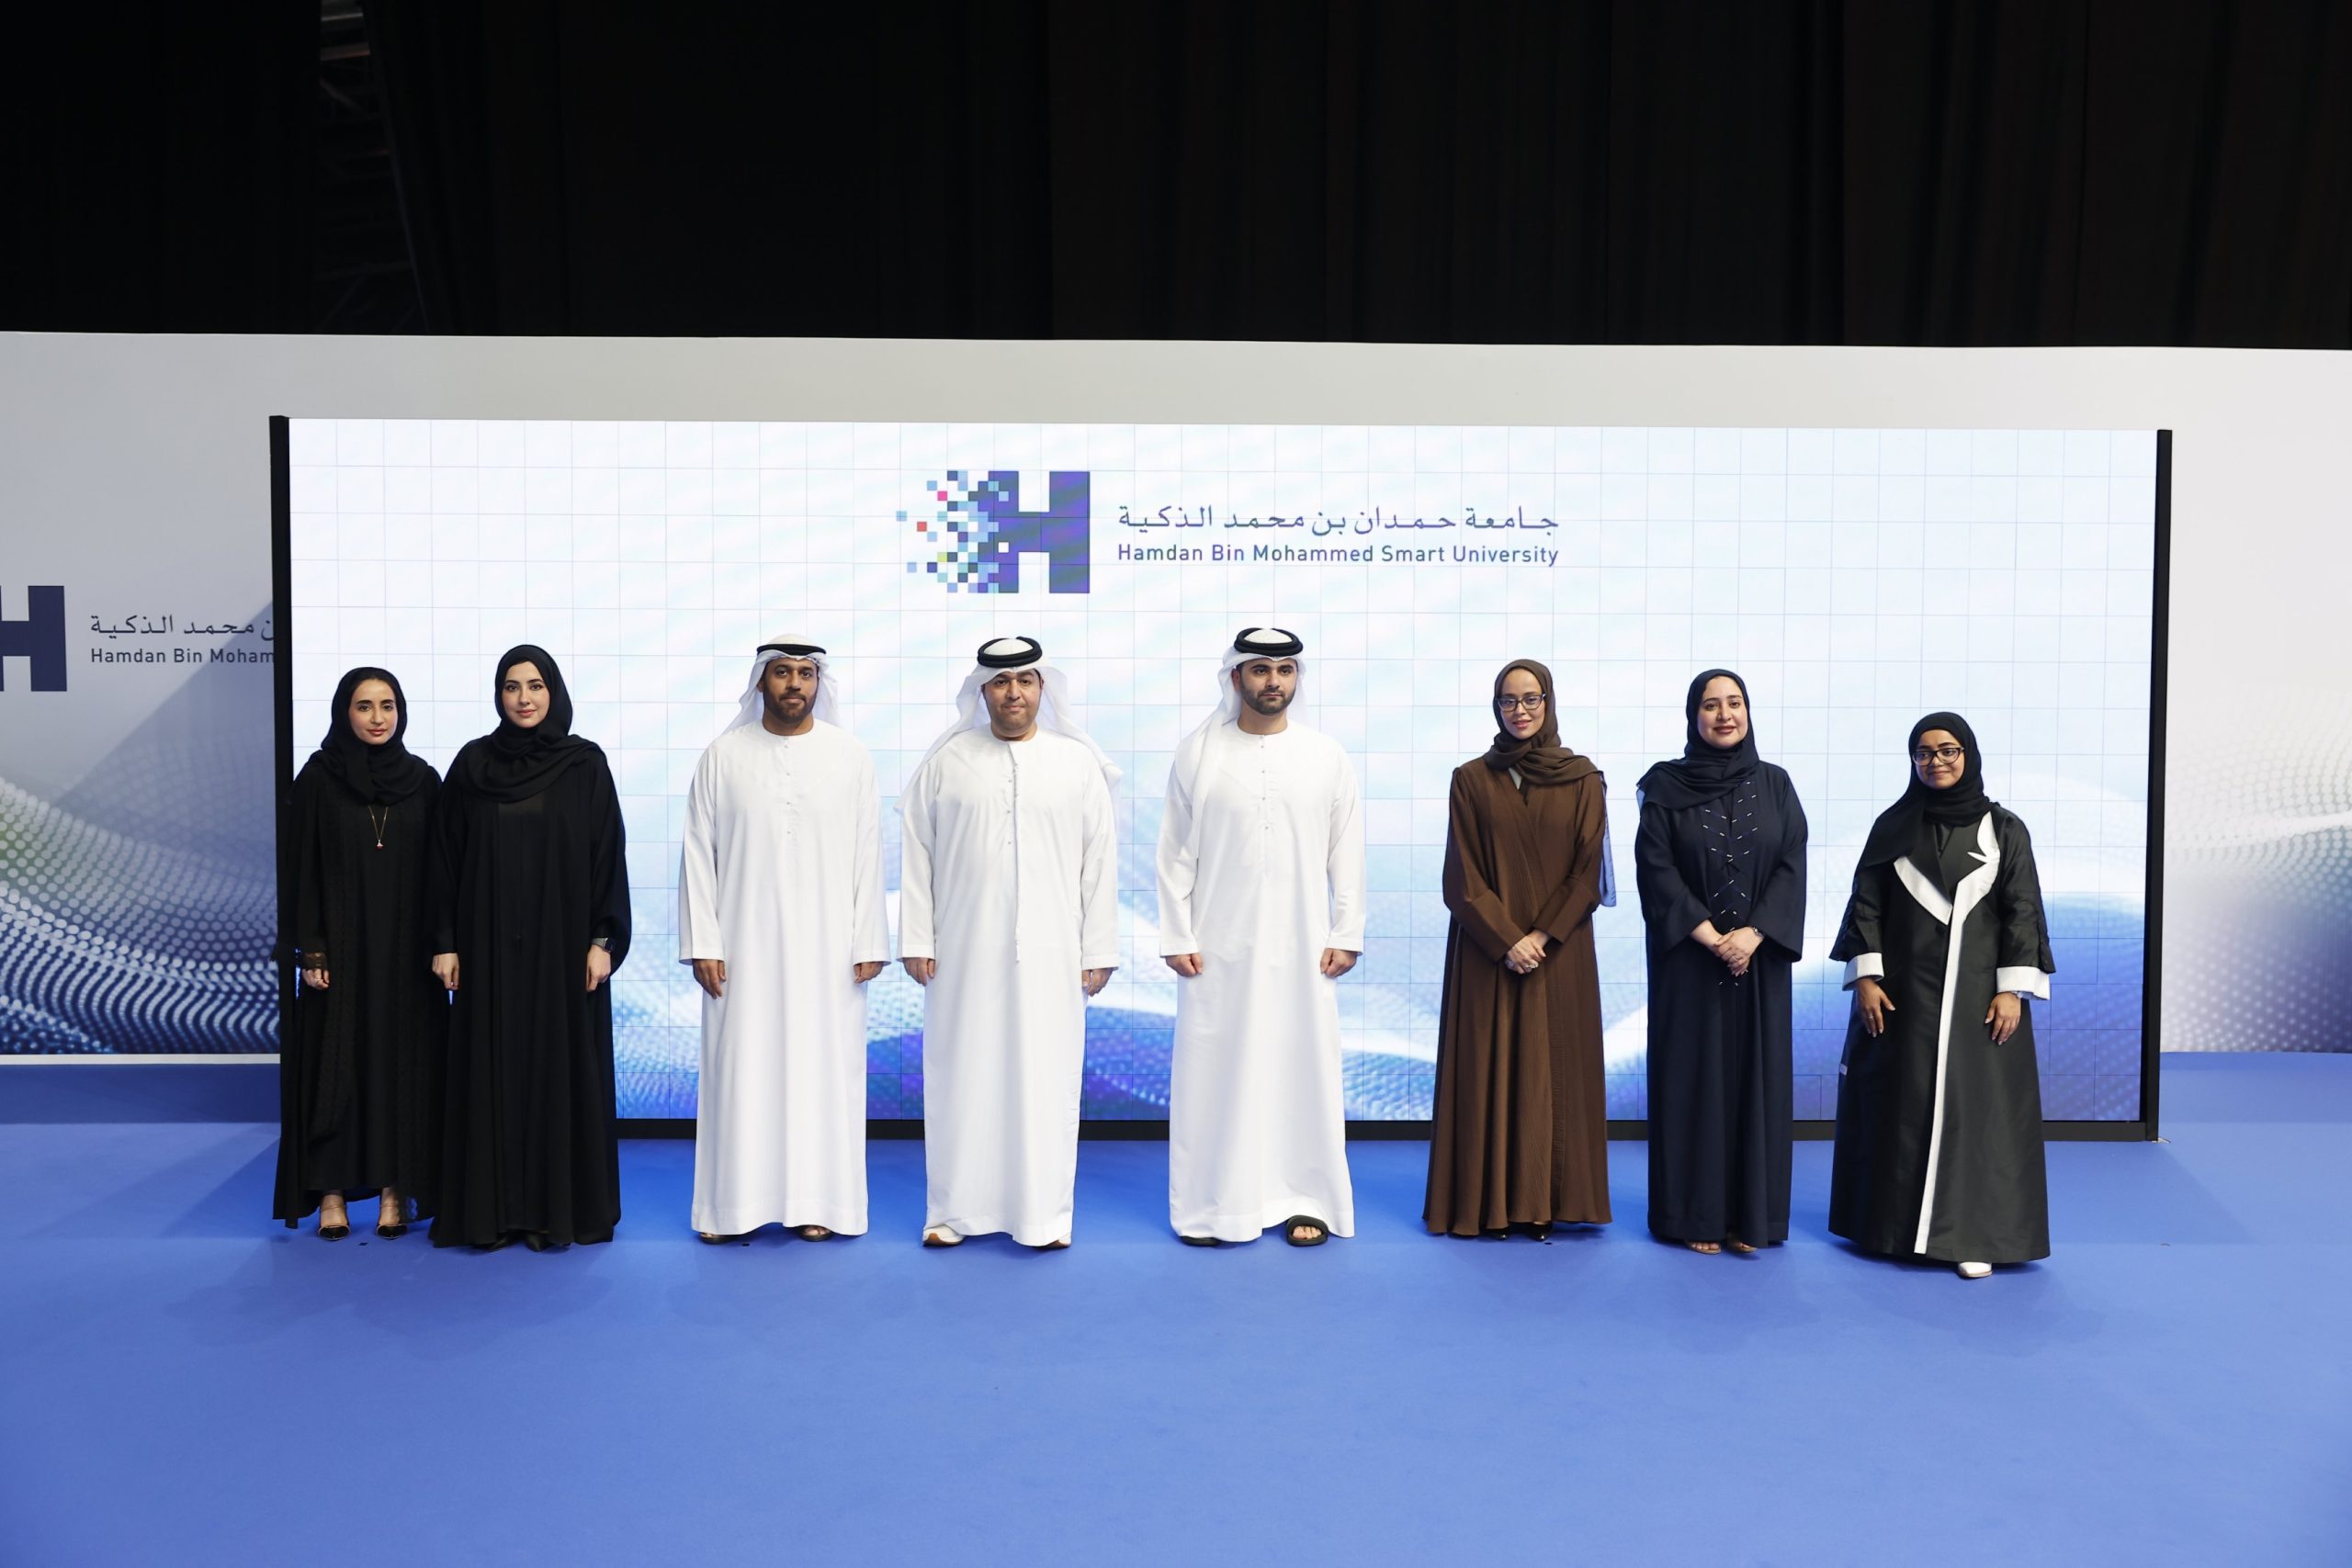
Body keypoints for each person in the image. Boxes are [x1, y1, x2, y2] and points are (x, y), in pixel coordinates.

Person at [899, 637, 1119, 1249]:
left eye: (1025, 680)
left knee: (1045, 1080)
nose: (1013, 693)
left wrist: (1099, 948)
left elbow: (1099, 862)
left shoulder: (1076, 764)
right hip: (961, 952)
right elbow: (917, 854)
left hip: (1054, 954)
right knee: (961, 1077)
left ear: (1043, 687)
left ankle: (1043, 1217)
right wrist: (916, 936)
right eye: (1000, 682)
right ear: (982, 690)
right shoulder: (947, 762)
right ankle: (952, 1213)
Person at [1158, 627, 1366, 1247]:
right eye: (1259, 669)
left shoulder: (1325, 755)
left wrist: (1347, 929)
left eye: (1284, 669)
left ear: (1296, 678)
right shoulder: (1199, 754)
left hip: (1305, 946)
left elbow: (1346, 850)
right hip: (1216, 948)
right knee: (1216, 1075)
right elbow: (1174, 853)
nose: (1273, 681)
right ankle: (1215, 1205)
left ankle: (1306, 1198)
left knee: (1302, 1068)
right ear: (1236, 678)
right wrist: (1176, 932)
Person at [1828, 713, 2054, 1280]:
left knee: (1976, 1114)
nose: (1937, 762)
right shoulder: (1892, 826)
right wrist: (1866, 978)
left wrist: (2012, 990)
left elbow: (2022, 910)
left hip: (1977, 999)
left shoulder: (2004, 830)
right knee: (1901, 1107)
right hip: (1902, 999)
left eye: (1948, 750)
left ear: (1967, 754)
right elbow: (1866, 904)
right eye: (1925, 753)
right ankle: (1891, 1228)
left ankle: (1972, 1235)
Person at [679, 639, 889, 1244]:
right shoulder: (723, 757)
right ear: (761, 682)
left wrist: (869, 939)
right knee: (741, 1073)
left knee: (824, 1075)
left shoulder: (850, 757)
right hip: (742, 949)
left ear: (819, 683)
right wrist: (704, 941)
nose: (794, 684)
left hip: (830, 952)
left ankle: (819, 1203)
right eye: (781, 672)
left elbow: (868, 852)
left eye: (805, 673)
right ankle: (730, 1209)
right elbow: (698, 855)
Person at [426, 645, 631, 1251]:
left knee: (557, 1073)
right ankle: (489, 1214)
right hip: (485, 953)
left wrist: (603, 940)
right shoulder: (472, 764)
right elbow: (443, 859)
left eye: (535, 685)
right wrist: (445, 943)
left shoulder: (583, 764)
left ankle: (551, 1212)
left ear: (553, 692)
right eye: (512, 686)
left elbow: (606, 857)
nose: (523, 698)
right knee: (489, 1072)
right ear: (498, 694)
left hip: (563, 956)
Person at [1424, 659, 1614, 1239]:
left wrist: (1541, 935)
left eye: (1532, 698)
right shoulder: (1470, 779)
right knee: (1491, 1070)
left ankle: (1545, 1203)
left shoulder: (1584, 779)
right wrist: (1508, 939)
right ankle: (1489, 1205)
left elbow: (1588, 873)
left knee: (1553, 1072)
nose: (1521, 710)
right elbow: (1462, 876)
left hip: (1560, 951)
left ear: (1549, 702)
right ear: (1496, 708)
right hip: (1489, 953)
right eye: (1508, 700)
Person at [1634, 669, 1807, 1255]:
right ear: (1694, 716)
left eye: (1735, 703)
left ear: (1749, 712)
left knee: (1756, 1084)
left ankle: (1749, 1219)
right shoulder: (1663, 786)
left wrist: (1753, 935)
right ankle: (1694, 1216)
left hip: (1758, 963)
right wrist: (1712, 938)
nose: (1725, 715)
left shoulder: (1777, 784)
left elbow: (1791, 863)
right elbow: (1656, 868)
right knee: (1694, 1085)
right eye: (1711, 705)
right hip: (1690, 963)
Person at [276, 666, 445, 1240]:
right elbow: (299, 870)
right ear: (343, 713)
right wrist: (312, 950)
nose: (377, 718)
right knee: (335, 1071)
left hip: (407, 957)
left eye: (387, 706)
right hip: (339, 956)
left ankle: (396, 1189)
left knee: (401, 1071)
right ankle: (331, 1192)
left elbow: (442, 872)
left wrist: (444, 945)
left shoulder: (423, 781)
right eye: (364, 706)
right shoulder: (318, 779)